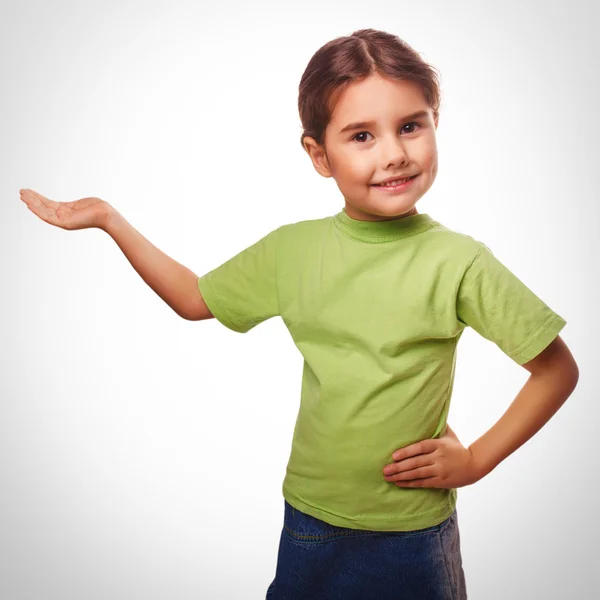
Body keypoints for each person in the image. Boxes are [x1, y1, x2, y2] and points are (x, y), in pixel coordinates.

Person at [19, 27, 579, 600]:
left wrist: (478, 460)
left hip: (411, 532)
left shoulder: (460, 262)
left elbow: (557, 370)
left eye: (411, 125)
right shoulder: (292, 250)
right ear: (319, 155)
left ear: (437, 122)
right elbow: (194, 299)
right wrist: (111, 220)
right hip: (310, 522)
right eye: (362, 135)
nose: (394, 153)